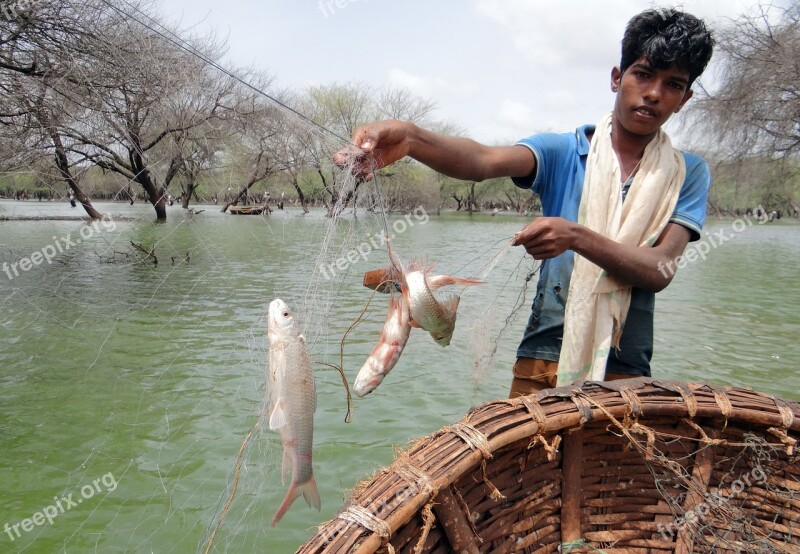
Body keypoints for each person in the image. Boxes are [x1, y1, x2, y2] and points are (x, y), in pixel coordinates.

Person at [335, 9, 714, 398]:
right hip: (542, 356)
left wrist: (576, 237)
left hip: (626, 369)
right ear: (617, 78)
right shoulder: (565, 152)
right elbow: (481, 161)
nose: (653, 93)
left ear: (684, 99)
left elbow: (661, 268)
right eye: (643, 74)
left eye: (672, 84)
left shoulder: (688, 172)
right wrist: (411, 138)